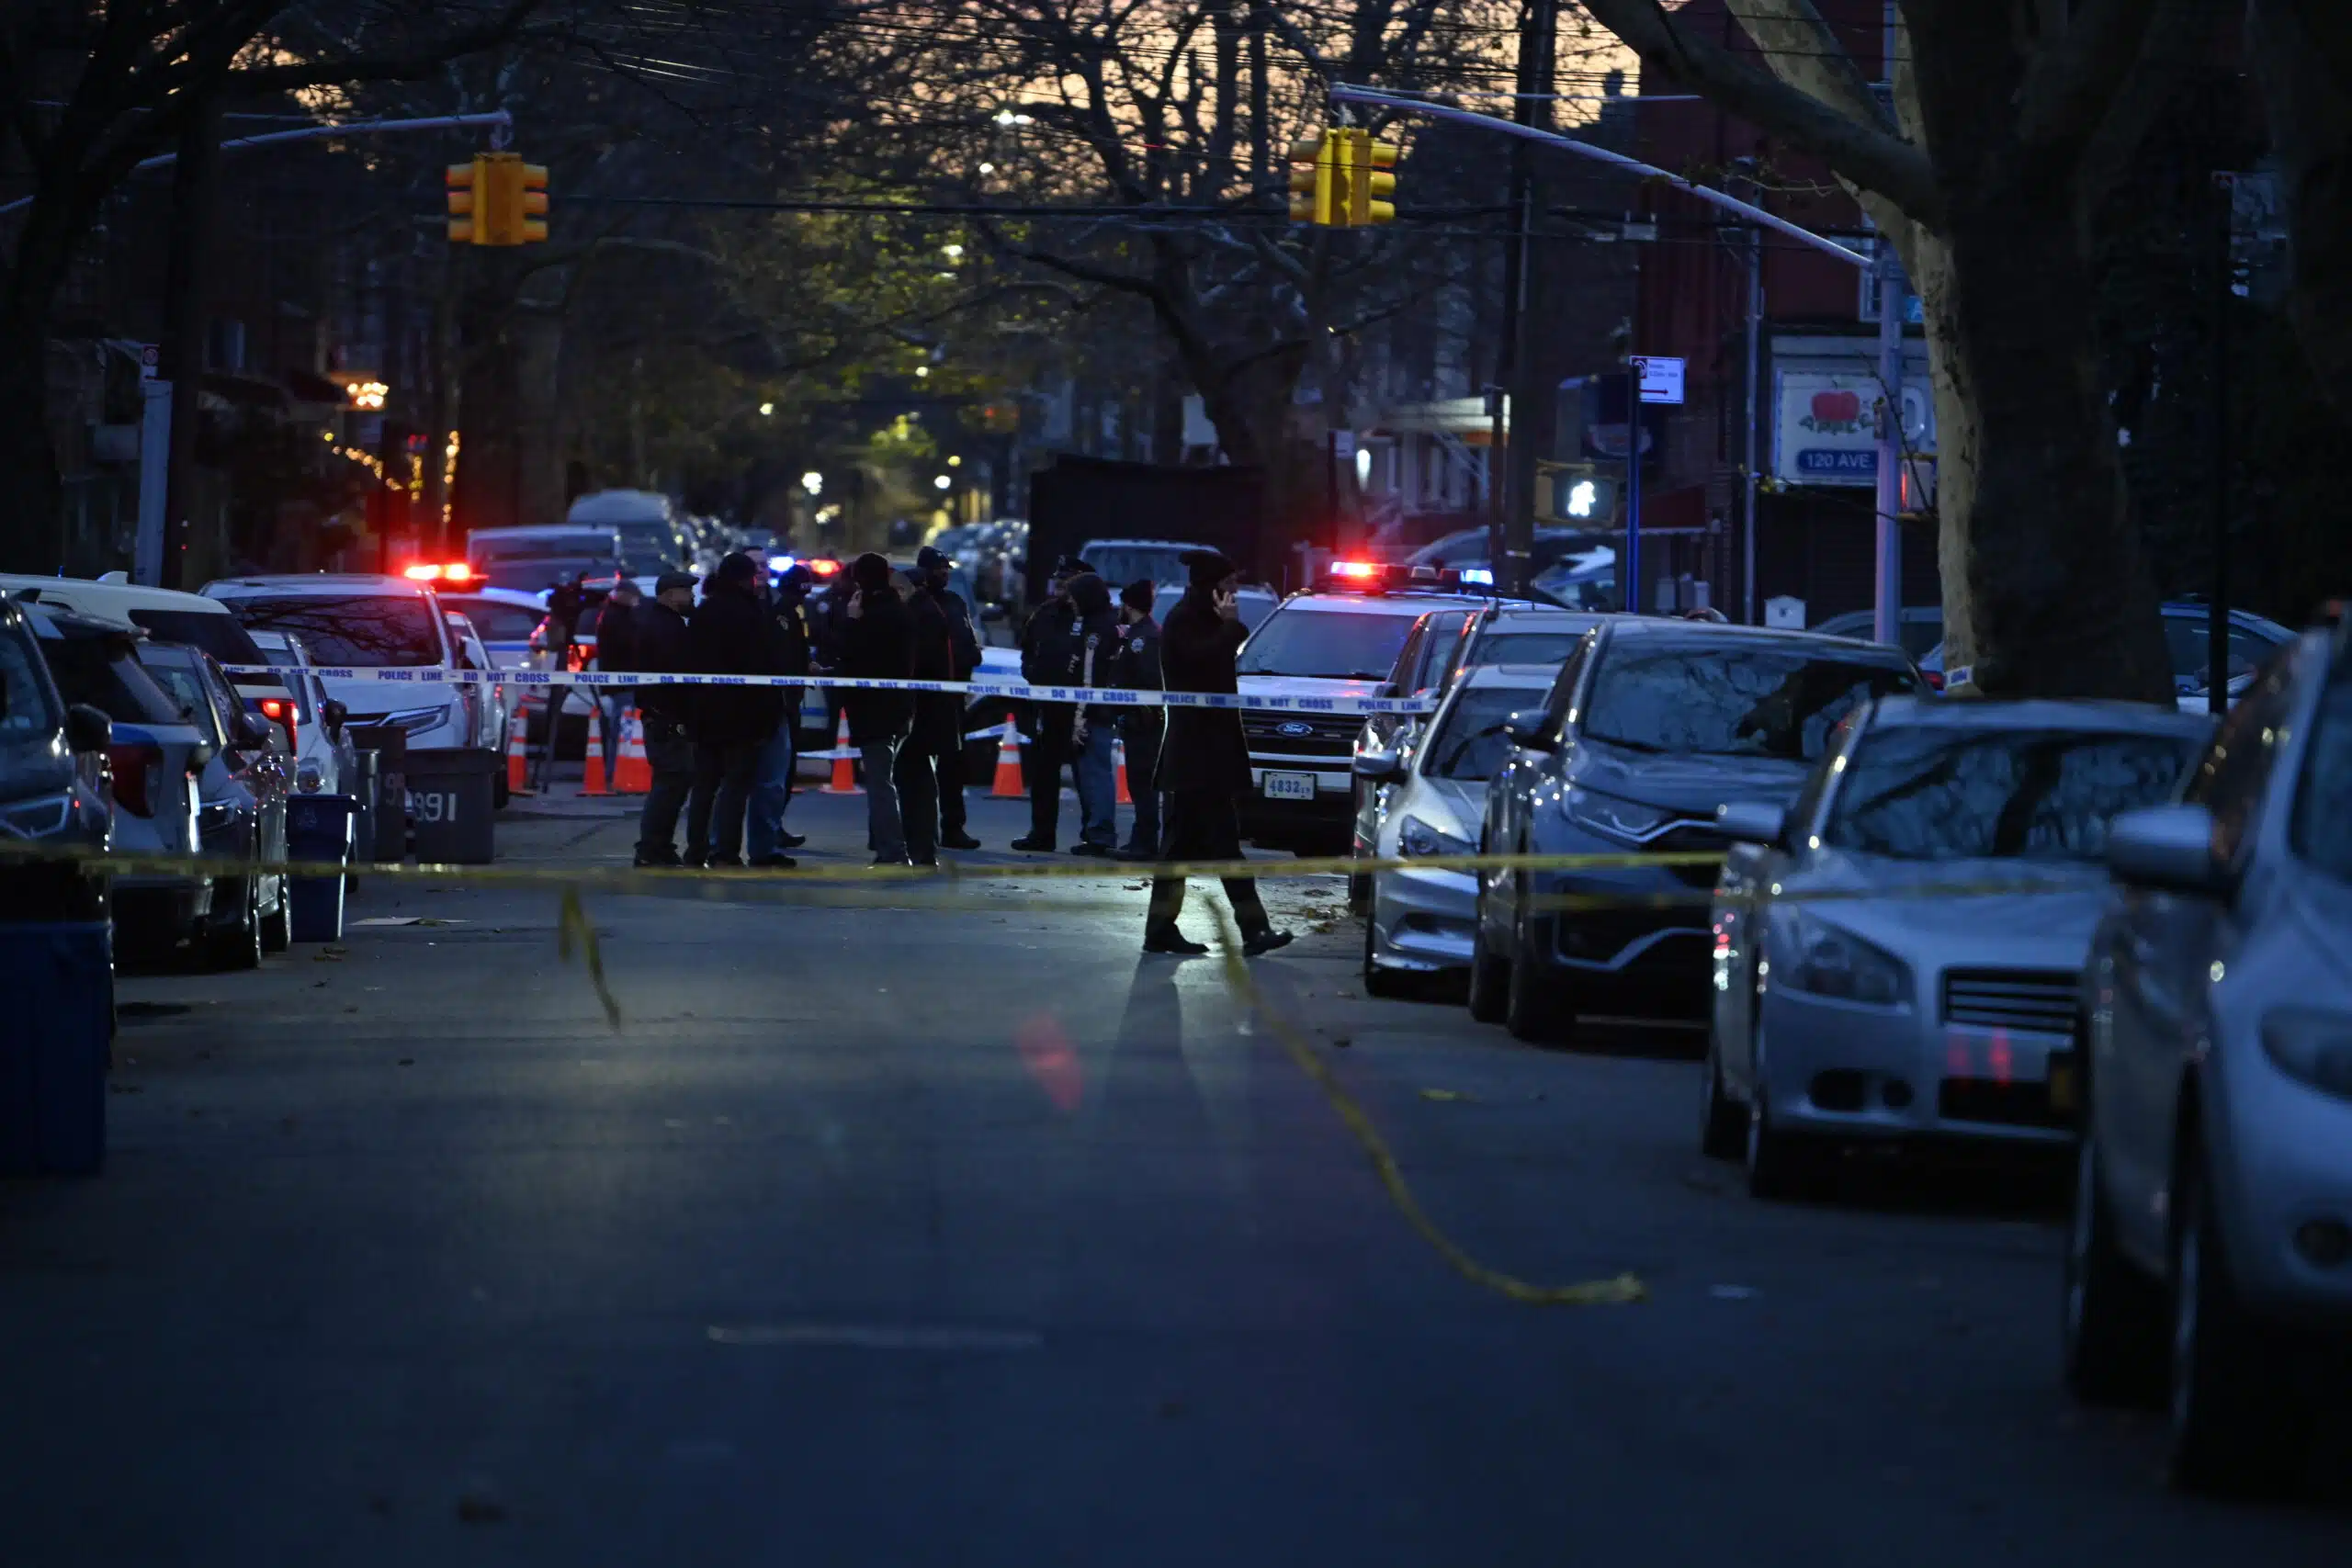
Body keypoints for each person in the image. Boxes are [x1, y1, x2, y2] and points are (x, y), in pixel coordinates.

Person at [1146, 550, 1293, 956]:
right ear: (1211, 585)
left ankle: (1164, 929)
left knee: (1189, 849)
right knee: (1219, 848)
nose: (1233, 592)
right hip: (1196, 758)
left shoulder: (1203, 619)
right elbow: (1199, 660)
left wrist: (1227, 628)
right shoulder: (1184, 620)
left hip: (1207, 758)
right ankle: (1252, 930)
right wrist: (1230, 629)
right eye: (1228, 585)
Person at [683, 552, 786, 868]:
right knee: (735, 785)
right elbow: (760, 668)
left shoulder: (704, 611)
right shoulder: (749, 613)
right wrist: (767, 717)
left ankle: (696, 849)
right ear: (745, 578)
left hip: (705, 713)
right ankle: (725, 851)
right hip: (741, 716)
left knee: (705, 785)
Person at [839, 552, 916, 866]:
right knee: (885, 780)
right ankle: (886, 843)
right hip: (897, 708)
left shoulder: (872, 615)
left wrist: (852, 621)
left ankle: (893, 849)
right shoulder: (900, 610)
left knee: (880, 784)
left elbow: (856, 655)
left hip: (875, 711)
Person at [1010, 555, 1088, 852]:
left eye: (1066, 579)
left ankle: (1096, 837)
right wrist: (1032, 674)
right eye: (1059, 578)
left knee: (1088, 774)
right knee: (1044, 772)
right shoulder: (1044, 613)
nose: (1060, 584)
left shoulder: (1090, 617)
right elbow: (1027, 649)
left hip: (1082, 707)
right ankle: (1042, 833)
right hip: (1047, 705)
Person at [746, 564, 815, 865]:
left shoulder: (788, 613)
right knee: (771, 778)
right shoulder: (782, 615)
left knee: (777, 777)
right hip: (779, 703)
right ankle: (763, 843)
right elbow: (784, 658)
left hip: (785, 701)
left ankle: (770, 835)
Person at [917, 546, 983, 850]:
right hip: (920, 695)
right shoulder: (915, 603)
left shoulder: (955, 602)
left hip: (953, 695)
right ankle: (918, 828)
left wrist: (967, 666)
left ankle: (953, 826)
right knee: (914, 765)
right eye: (937, 568)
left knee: (953, 764)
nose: (943, 573)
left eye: (946, 568)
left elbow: (968, 644)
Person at [893, 562, 959, 865]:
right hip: (931, 711)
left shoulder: (922, 617)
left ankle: (921, 848)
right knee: (919, 778)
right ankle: (923, 846)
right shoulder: (928, 612)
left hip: (925, 712)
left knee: (915, 779)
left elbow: (919, 665)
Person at [630, 572, 697, 867]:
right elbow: (675, 677)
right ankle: (652, 848)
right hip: (666, 720)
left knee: (671, 784)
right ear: (670, 595)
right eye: (686, 591)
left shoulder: (661, 623)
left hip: (662, 717)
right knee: (670, 785)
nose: (692, 597)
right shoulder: (666, 628)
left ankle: (658, 845)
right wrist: (680, 716)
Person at [1063, 571, 1121, 855]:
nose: (1071, 602)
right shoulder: (1103, 623)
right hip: (1097, 712)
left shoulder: (1096, 631)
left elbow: (1088, 679)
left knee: (1095, 774)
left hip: (1092, 714)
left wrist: (1079, 720)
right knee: (1091, 774)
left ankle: (1099, 833)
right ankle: (1095, 830)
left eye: (1074, 597)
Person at [1112, 577, 1164, 861]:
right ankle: (1139, 839)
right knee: (1140, 784)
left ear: (1128, 605)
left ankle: (1144, 843)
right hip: (1140, 721)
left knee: (1142, 783)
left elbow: (1146, 680)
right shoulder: (1142, 634)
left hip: (1143, 723)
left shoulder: (1143, 638)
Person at [590, 578, 641, 763]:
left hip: (622, 680)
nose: (636, 602)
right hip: (623, 680)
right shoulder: (617, 617)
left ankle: (617, 768)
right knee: (622, 728)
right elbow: (627, 645)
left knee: (622, 726)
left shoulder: (614, 614)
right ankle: (616, 768)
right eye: (634, 597)